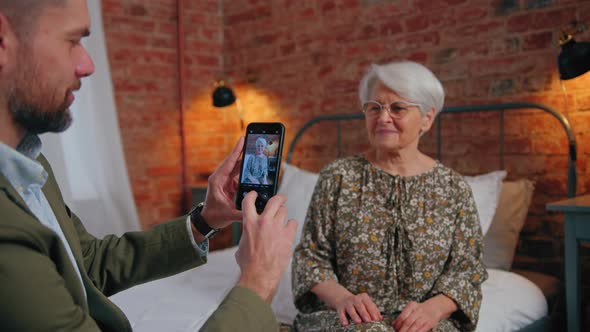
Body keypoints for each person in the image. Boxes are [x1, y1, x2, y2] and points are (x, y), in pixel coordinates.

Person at [0, 1, 297, 331]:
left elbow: (88, 263)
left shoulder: (29, 163)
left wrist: (205, 219)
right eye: (73, 41)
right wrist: (258, 281)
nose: (88, 65)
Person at [292, 61, 488, 332]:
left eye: (397, 108)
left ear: (427, 118)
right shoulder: (337, 177)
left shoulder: (453, 188)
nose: (383, 118)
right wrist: (343, 299)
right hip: (347, 318)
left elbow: (467, 271)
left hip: (426, 321)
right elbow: (311, 258)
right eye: (374, 108)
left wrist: (433, 309)